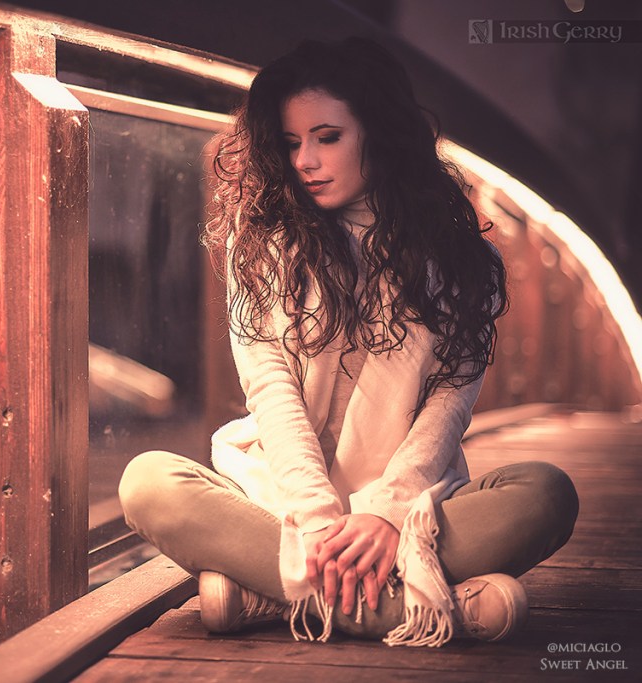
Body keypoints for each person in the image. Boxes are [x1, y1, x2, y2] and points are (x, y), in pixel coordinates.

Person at [118, 37, 578, 647]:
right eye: (291, 143)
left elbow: (449, 406)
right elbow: (271, 391)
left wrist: (385, 513)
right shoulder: (259, 246)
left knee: (547, 493)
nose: (305, 160)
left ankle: (271, 593)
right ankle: (424, 610)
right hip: (282, 499)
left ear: (379, 134)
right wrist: (316, 520)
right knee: (148, 482)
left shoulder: (466, 261)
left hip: (408, 507)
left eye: (327, 137)